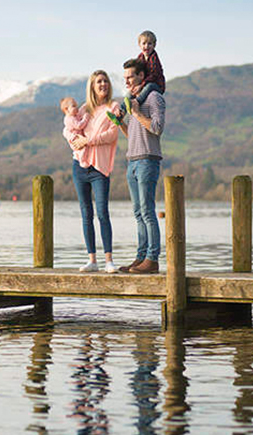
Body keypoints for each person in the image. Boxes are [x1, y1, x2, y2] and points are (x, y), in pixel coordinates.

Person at [63, 70, 120, 273]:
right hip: (80, 166)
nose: (103, 84)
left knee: (102, 212)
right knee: (86, 213)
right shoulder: (84, 108)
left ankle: (109, 260)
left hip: (100, 168)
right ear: (92, 86)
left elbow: (112, 134)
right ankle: (92, 260)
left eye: (105, 81)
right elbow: (70, 129)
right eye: (98, 82)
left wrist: (89, 140)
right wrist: (72, 140)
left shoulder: (114, 107)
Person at [117, 58, 166, 274]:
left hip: (148, 160)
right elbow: (133, 136)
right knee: (138, 212)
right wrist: (121, 123)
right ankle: (140, 257)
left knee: (147, 212)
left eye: (130, 77)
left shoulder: (154, 98)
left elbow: (156, 128)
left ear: (141, 76)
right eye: (125, 77)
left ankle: (152, 259)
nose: (127, 81)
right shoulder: (133, 100)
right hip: (132, 160)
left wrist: (136, 113)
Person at [107, 30, 165, 125]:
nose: (146, 46)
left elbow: (153, 76)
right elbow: (138, 71)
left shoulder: (154, 58)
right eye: (144, 43)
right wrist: (135, 85)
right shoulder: (140, 57)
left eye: (149, 44)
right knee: (130, 93)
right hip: (145, 83)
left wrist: (141, 85)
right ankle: (120, 113)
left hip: (156, 85)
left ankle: (136, 103)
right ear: (139, 45)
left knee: (149, 86)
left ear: (154, 45)